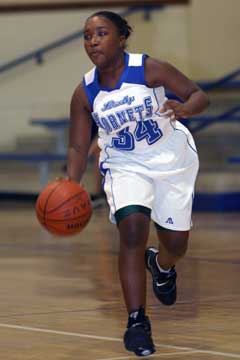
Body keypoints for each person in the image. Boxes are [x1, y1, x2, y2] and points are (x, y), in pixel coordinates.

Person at [67, 10, 209, 357]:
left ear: (121, 38)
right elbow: (77, 145)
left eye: (101, 33)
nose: (93, 41)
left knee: (176, 244)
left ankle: (162, 265)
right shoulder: (85, 92)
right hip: (125, 165)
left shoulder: (147, 68)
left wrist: (186, 109)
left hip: (170, 161)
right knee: (132, 229)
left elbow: (198, 95)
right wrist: (71, 183)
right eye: (87, 35)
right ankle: (136, 323)